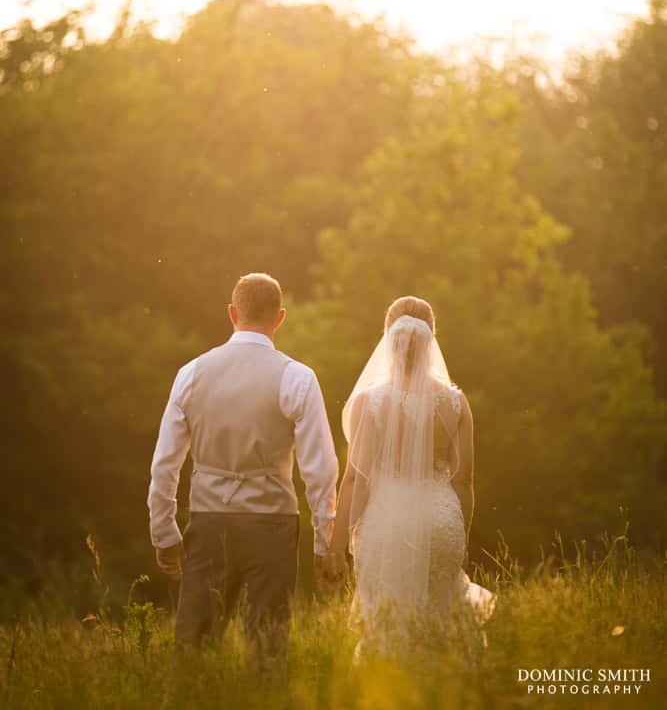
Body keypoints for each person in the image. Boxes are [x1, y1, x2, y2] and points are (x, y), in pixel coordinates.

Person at [147, 272, 340, 655]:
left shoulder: (191, 373)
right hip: (272, 523)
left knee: (194, 646)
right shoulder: (297, 378)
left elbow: (165, 462)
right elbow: (320, 468)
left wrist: (164, 532)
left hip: (208, 518)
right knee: (267, 645)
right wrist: (324, 541)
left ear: (233, 313)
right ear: (280, 318)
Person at [326, 296, 496, 657]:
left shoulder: (368, 402)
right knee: (442, 622)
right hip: (441, 521)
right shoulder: (455, 402)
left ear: (388, 337)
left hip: (387, 521)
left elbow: (358, 480)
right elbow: (463, 480)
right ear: (431, 338)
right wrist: (457, 535)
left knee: (388, 624)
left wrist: (336, 548)